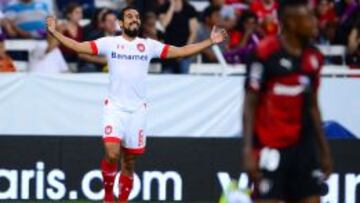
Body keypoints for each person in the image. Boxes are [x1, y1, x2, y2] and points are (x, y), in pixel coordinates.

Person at [46, 6, 227, 203]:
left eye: (137, 17)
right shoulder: (111, 43)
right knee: (112, 152)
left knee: (129, 163)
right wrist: (55, 33)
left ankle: (121, 200)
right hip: (114, 108)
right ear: (121, 24)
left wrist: (210, 41)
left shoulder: (148, 45)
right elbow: (80, 47)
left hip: (137, 111)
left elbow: (181, 51)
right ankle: (108, 196)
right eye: (129, 17)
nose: (134, 19)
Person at [242, 1, 333, 203]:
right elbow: (250, 103)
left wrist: (324, 151)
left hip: (303, 148)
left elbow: (313, 106)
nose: (314, 22)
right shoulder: (264, 53)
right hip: (269, 147)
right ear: (291, 23)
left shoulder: (314, 57)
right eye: (308, 18)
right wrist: (248, 150)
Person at [158, 0, 198, 73]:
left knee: (184, 79)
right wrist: (172, 6)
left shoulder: (189, 9)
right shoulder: (164, 7)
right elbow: (164, 24)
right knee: (166, 79)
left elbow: (193, 33)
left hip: (184, 52)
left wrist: (185, 51)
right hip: (168, 51)